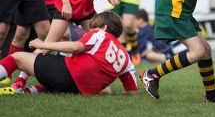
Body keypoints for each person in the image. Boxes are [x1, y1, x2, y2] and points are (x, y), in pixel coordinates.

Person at [0, 11, 138, 96]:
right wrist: (108, 93)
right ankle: (23, 91)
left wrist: (42, 44)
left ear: (104, 27)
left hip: (68, 74)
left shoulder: (100, 34)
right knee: (49, 87)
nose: (91, 31)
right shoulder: (127, 59)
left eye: (94, 27)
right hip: (83, 91)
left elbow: (75, 47)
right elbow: (133, 92)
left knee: (17, 58)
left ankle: (19, 85)